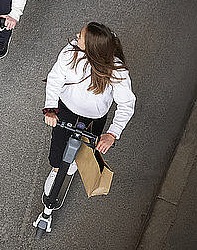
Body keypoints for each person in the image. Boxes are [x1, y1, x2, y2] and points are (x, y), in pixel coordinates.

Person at [42, 22, 136, 195]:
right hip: (66, 109)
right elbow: (55, 79)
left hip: (94, 117)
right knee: (57, 145)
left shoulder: (116, 71)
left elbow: (126, 104)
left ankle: (73, 164)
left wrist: (112, 133)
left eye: (81, 36)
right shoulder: (70, 52)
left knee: (85, 150)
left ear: (92, 48)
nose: (77, 35)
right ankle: (56, 170)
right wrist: (51, 108)